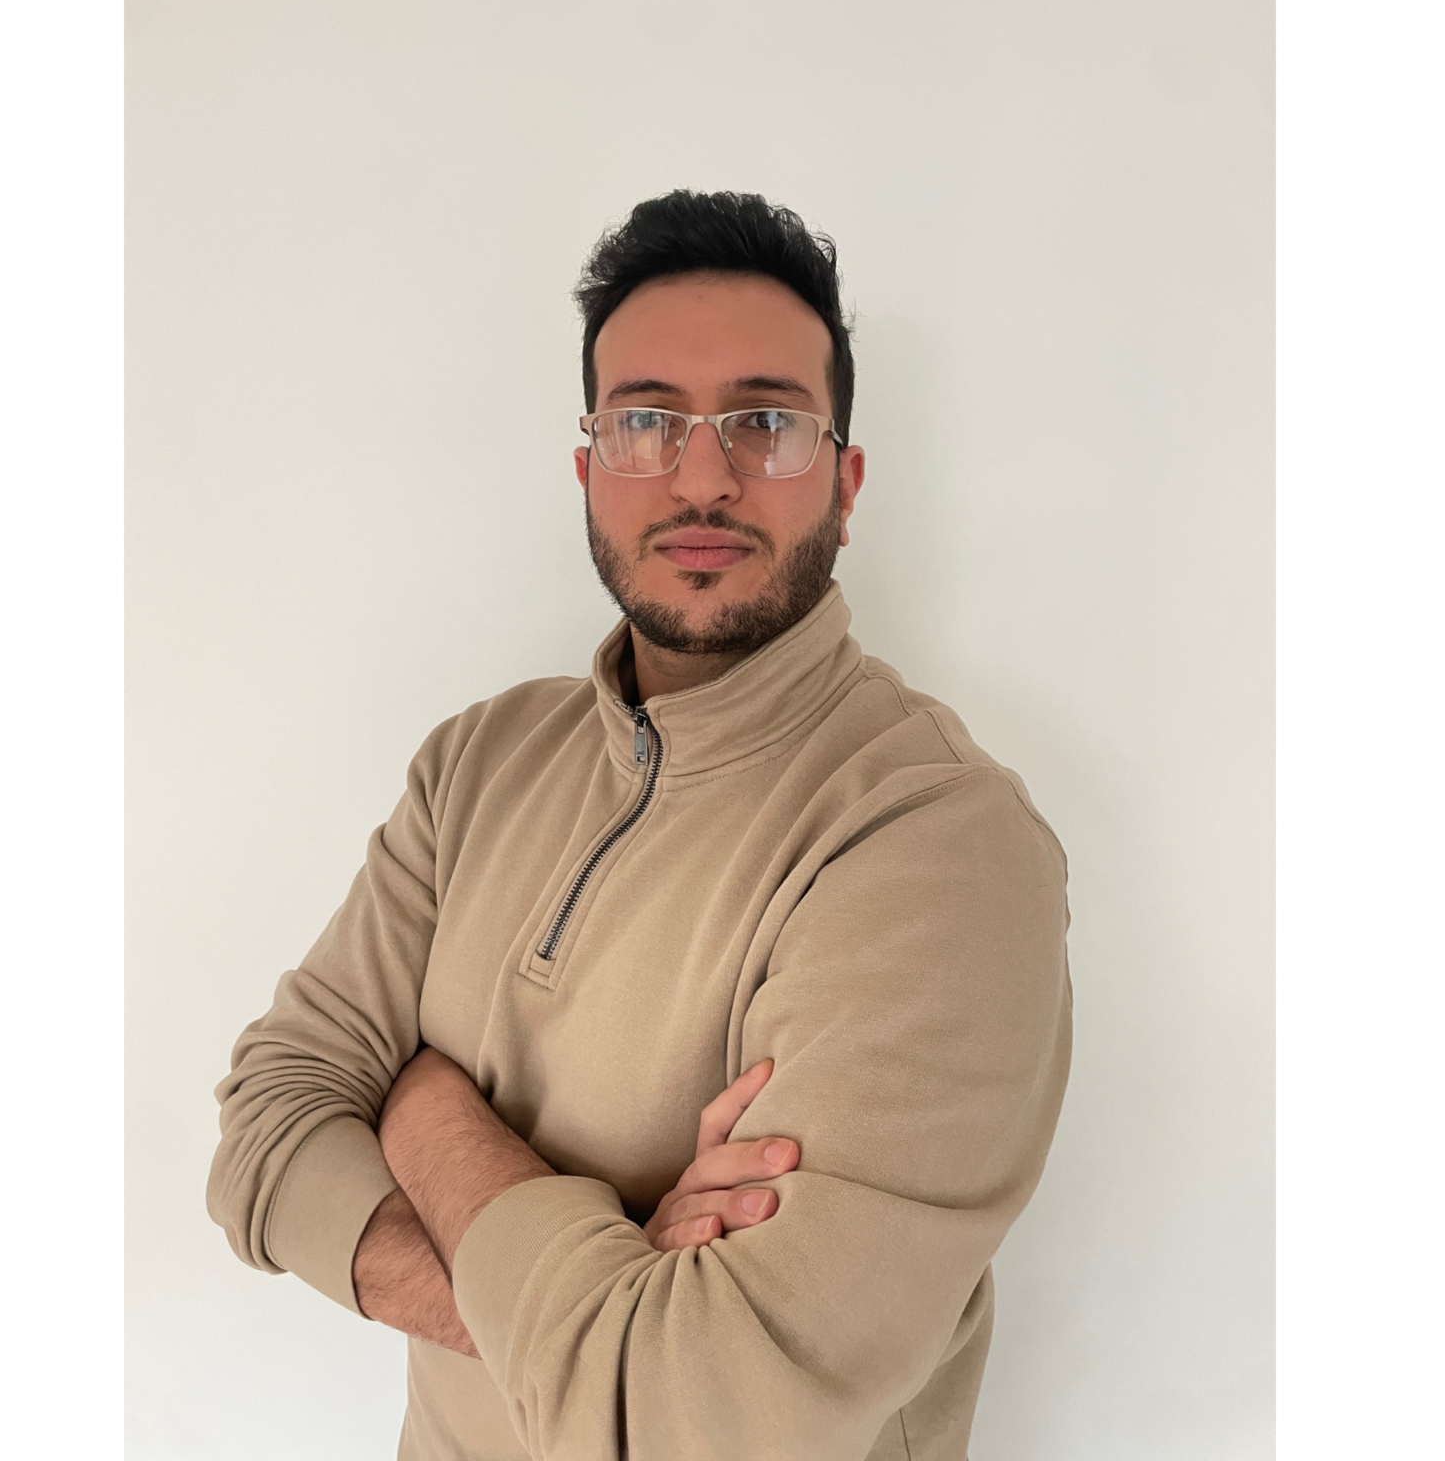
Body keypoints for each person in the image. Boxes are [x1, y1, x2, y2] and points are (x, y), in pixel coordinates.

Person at [207, 189, 1073, 1461]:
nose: (702, 476)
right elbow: (267, 1133)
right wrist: (600, 1306)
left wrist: (423, 1109)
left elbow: (690, 1417)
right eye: (646, 421)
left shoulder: (936, 842)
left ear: (845, 483)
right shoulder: (478, 765)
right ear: (588, 470)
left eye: (766, 422)